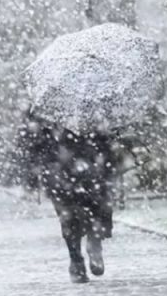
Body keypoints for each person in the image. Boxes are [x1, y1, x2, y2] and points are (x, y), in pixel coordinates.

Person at [16, 110, 118, 283]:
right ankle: (76, 258)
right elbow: (31, 142)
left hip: (90, 170)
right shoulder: (43, 109)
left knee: (97, 210)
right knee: (69, 218)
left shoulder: (96, 108)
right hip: (60, 174)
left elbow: (107, 143)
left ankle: (93, 244)